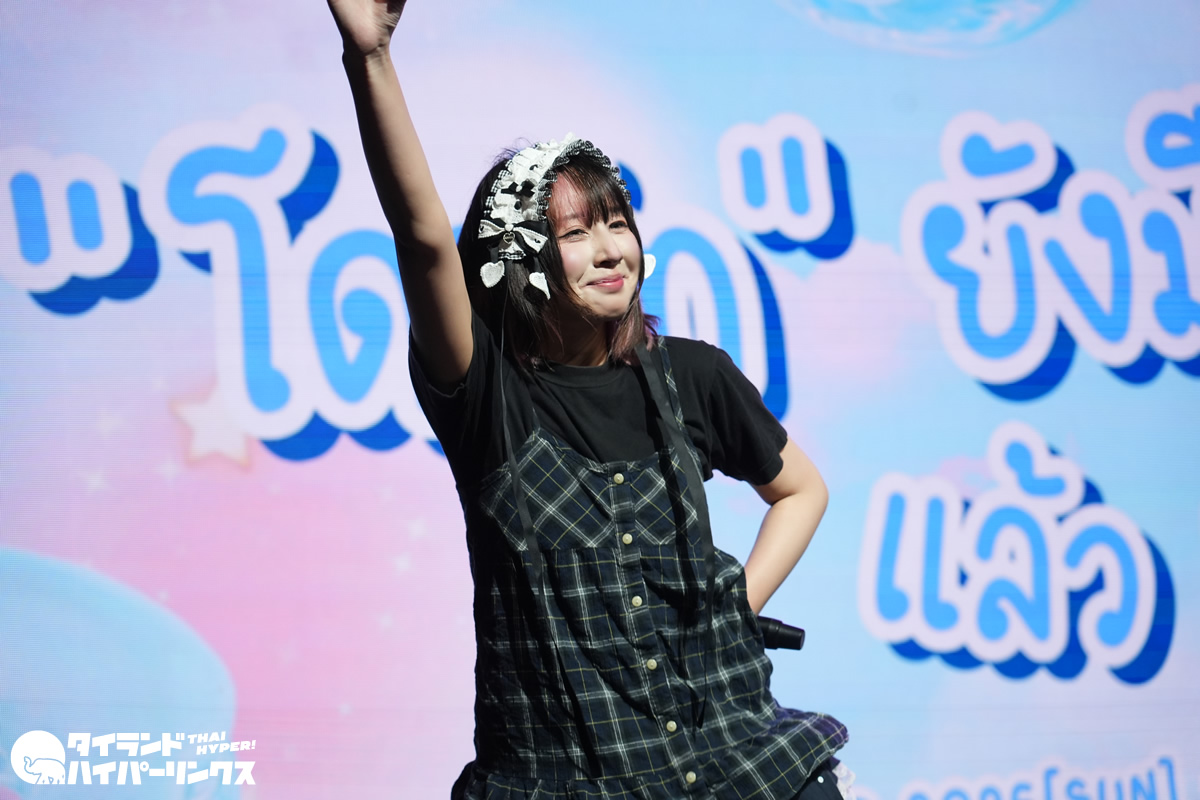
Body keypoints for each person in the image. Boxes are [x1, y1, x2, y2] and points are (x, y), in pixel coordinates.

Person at [326, 1, 852, 797]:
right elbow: (424, 239)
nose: (610, 251)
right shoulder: (490, 397)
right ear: (519, 258)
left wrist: (735, 608)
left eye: (617, 223)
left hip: (735, 758)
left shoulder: (691, 374)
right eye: (576, 233)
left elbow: (802, 490)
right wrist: (370, 59)